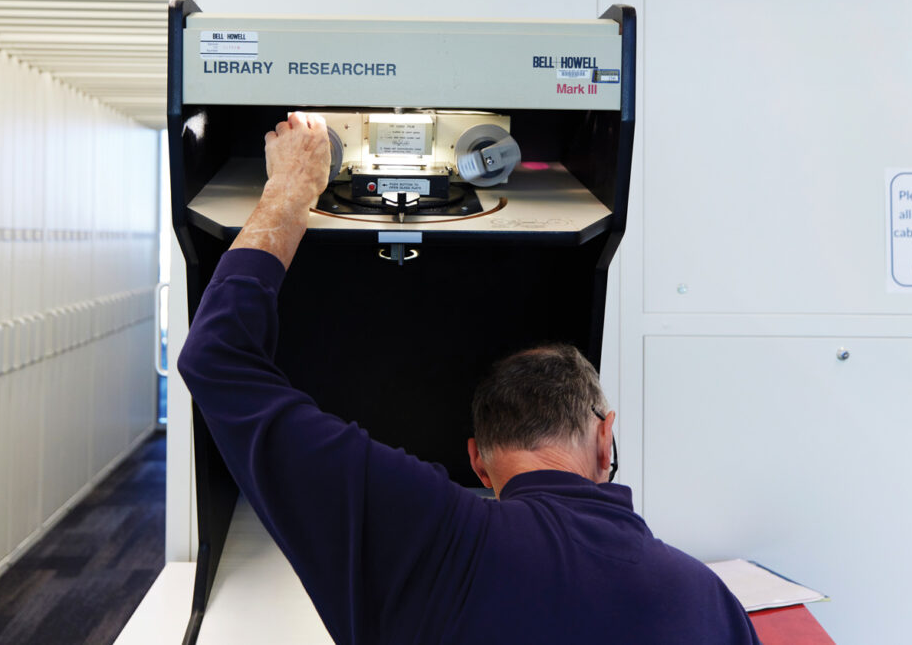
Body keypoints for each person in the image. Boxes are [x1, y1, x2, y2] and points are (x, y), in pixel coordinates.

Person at [177, 112, 760, 644]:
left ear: (479, 461)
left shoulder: (425, 533)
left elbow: (215, 359)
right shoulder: (707, 600)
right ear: (606, 439)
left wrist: (290, 189)